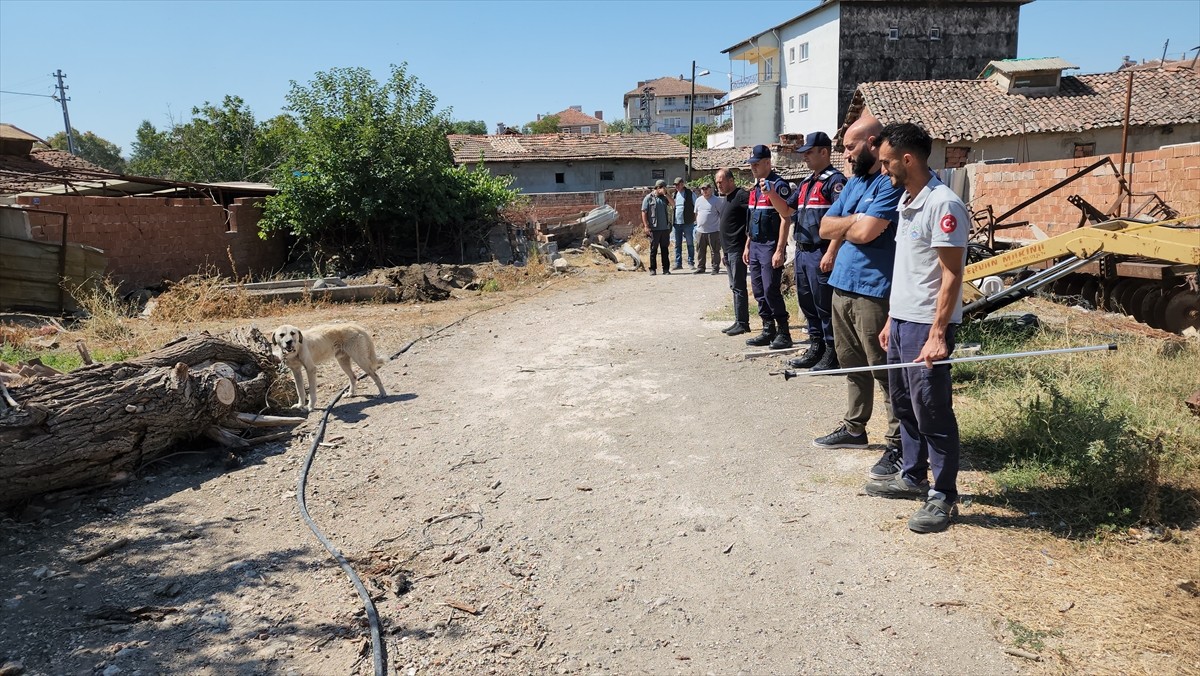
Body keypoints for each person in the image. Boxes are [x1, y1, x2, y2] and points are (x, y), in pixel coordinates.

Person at [864, 122, 969, 534]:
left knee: (933, 410)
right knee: (904, 404)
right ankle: (912, 474)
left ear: (907, 159)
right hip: (903, 320)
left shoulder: (943, 205)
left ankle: (943, 495)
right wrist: (892, 317)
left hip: (927, 325)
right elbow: (910, 271)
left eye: (888, 161)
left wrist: (939, 333)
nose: (884, 168)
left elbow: (951, 275)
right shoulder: (909, 202)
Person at [812, 115, 903, 481]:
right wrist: (854, 221)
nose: (846, 155)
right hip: (843, 285)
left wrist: (851, 222)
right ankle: (854, 428)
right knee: (852, 364)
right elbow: (824, 226)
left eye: (851, 147)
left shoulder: (890, 182)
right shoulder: (856, 181)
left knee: (884, 370)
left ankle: (898, 443)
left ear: (873, 142)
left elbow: (866, 233)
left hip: (875, 290)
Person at [787, 131, 846, 372]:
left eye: (809, 153)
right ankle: (816, 347)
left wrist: (831, 252)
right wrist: (770, 193)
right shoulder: (806, 183)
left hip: (820, 251)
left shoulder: (836, 181)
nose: (805, 158)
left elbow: (842, 220)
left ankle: (832, 352)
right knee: (807, 303)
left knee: (824, 305)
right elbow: (786, 210)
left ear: (824, 152)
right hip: (802, 252)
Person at [742, 145, 797, 350]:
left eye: (757, 164)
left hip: (770, 245)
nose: (753, 168)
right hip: (755, 244)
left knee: (770, 289)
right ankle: (768, 329)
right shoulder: (756, 189)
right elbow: (752, 221)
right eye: (751, 165)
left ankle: (784, 331)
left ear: (767, 162)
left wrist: (780, 249)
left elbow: (786, 217)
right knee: (757, 289)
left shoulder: (777, 186)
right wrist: (747, 246)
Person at [715, 168, 751, 335]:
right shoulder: (727, 199)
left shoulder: (741, 196)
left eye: (721, 181)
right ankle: (738, 320)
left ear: (730, 180)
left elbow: (751, 218)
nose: (718, 185)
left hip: (738, 248)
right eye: (717, 182)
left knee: (739, 286)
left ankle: (743, 323)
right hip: (728, 250)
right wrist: (724, 252)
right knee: (734, 286)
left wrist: (748, 245)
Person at [641, 179, 673, 275]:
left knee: (664, 249)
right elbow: (644, 212)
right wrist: (646, 226)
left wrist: (666, 194)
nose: (664, 190)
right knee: (653, 250)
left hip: (664, 228)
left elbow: (673, 204)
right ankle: (653, 269)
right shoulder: (648, 198)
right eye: (662, 188)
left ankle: (666, 269)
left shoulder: (664, 197)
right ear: (658, 188)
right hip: (654, 228)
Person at [693, 182, 724, 274]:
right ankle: (701, 267)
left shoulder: (716, 200)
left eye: (706, 188)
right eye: (703, 189)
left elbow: (721, 214)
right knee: (700, 250)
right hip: (700, 231)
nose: (704, 191)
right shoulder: (698, 200)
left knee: (715, 250)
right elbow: (696, 213)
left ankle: (715, 267)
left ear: (710, 189)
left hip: (713, 230)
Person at [671, 177, 696, 270]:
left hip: (688, 222)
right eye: (675, 185)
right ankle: (678, 263)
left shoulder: (690, 193)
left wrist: (694, 218)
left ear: (682, 184)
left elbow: (696, 206)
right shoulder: (674, 194)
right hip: (677, 223)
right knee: (678, 244)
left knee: (690, 243)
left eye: (678, 184)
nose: (676, 186)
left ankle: (691, 262)